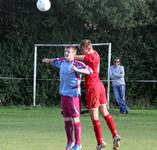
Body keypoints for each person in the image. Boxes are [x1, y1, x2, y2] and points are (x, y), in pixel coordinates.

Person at [42, 46, 92, 150]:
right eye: (65, 52)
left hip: (73, 95)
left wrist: (77, 70)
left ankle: (78, 144)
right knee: (66, 119)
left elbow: (90, 71)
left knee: (75, 119)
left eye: (68, 52)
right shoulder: (62, 61)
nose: (66, 53)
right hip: (64, 95)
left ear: (74, 54)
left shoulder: (78, 64)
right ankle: (70, 143)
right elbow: (54, 60)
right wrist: (47, 60)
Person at [75, 39, 120, 150]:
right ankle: (115, 135)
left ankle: (100, 142)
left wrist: (70, 54)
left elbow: (75, 57)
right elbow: (82, 57)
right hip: (99, 85)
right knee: (104, 112)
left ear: (87, 48)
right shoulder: (96, 54)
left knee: (94, 116)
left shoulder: (89, 57)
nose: (82, 52)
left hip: (93, 88)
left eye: (82, 50)